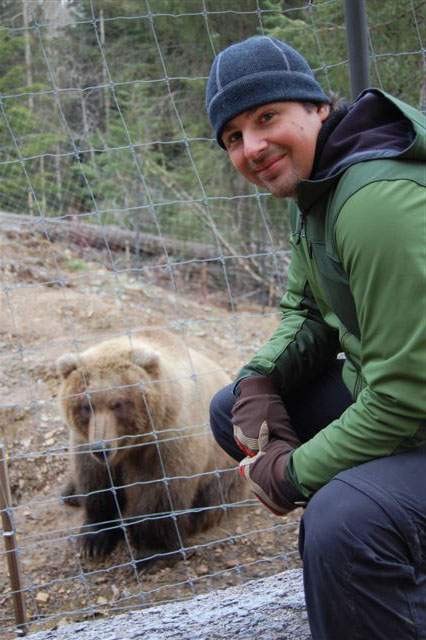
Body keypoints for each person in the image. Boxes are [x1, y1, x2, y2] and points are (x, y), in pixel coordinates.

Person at [205, 35, 426, 640]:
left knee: (341, 522)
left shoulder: (373, 202)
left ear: (317, 107)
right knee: (234, 410)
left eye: (266, 117)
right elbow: (309, 307)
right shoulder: (317, 186)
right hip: (403, 404)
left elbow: (406, 395)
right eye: (232, 137)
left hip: (413, 405)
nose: (252, 147)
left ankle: (368, 543)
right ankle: (378, 551)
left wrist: (296, 473)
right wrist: (260, 376)